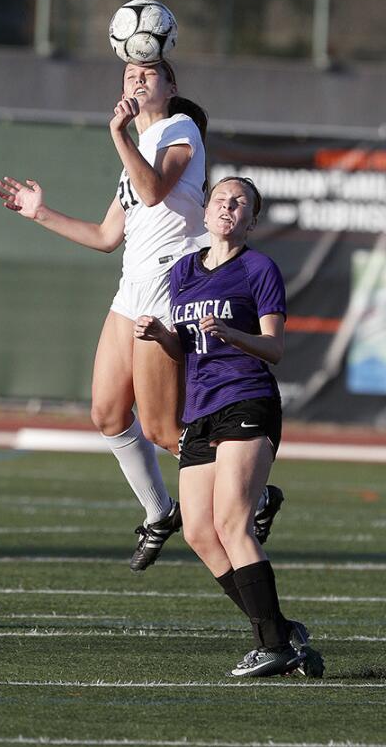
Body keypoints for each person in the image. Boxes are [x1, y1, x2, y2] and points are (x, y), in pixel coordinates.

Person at [0, 61, 283, 572]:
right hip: (132, 288)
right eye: (130, 73)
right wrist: (39, 211)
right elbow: (108, 237)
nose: (138, 79)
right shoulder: (137, 151)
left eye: (150, 72)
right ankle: (158, 510)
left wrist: (118, 132)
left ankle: (256, 497)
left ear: (171, 87)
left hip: (170, 289)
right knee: (106, 414)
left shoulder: (180, 130)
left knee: (161, 430)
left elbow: (152, 190)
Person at [134, 177, 322, 678]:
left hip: (247, 399)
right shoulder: (182, 273)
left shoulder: (259, 268)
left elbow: (274, 349)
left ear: (251, 220)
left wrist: (232, 334)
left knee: (231, 523)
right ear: (206, 211)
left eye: (240, 203)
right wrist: (161, 336)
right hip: (201, 408)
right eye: (221, 198)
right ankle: (281, 633)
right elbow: (187, 348)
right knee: (197, 530)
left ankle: (273, 646)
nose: (228, 206)